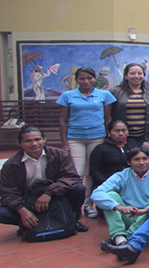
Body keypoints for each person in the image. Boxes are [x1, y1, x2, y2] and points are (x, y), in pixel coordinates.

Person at [0, 127, 89, 233]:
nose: (34, 144)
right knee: (1, 213)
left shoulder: (59, 154)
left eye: (37, 139)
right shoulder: (11, 165)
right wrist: (22, 210)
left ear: (44, 139)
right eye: (28, 141)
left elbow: (71, 177)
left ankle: (71, 220)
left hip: (55, 195)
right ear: (19, 143)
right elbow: (8, 193)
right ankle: (28, 223)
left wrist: (49, 193)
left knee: (78, 188)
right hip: (28, 199)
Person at [56, 66, 117, 218]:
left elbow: (108, 118)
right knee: (77, 172)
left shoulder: (104, 95)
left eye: (89, 78)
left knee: (91, 172)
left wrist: (109, 136)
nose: (85, 81)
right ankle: (74, 206)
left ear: (94, 78)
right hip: (74, 137)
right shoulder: (67, 96)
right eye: (81, 78)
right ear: (76, 80)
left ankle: (89, 205)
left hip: (97, 137)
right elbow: (62, 120)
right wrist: (64, 142)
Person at [91, 147, 149, 246]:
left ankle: (122, 239)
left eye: (145, 159)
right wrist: (118, 207)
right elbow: (96, 194)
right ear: (129, 162)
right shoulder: (122, 175)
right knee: (110, 196)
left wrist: (147, 209)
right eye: (136, 159)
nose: (141, 162)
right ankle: (120, 237)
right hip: (128, 215)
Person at [110, 63, 149, 147]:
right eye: (132, 73)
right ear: (126, 76)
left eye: (139, 73)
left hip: (144, 137)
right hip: (122, 136)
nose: (136, 76)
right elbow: (109, 114)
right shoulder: (115, 92)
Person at [89, 120, 140, 193]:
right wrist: (107, 184)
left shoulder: (133, 144)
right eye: (117, 131)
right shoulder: (101, 149)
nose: (121, 134)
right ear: (109, 132)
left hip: (133, 184)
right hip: (108, 185)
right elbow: (94, 171)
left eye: (123, 130)